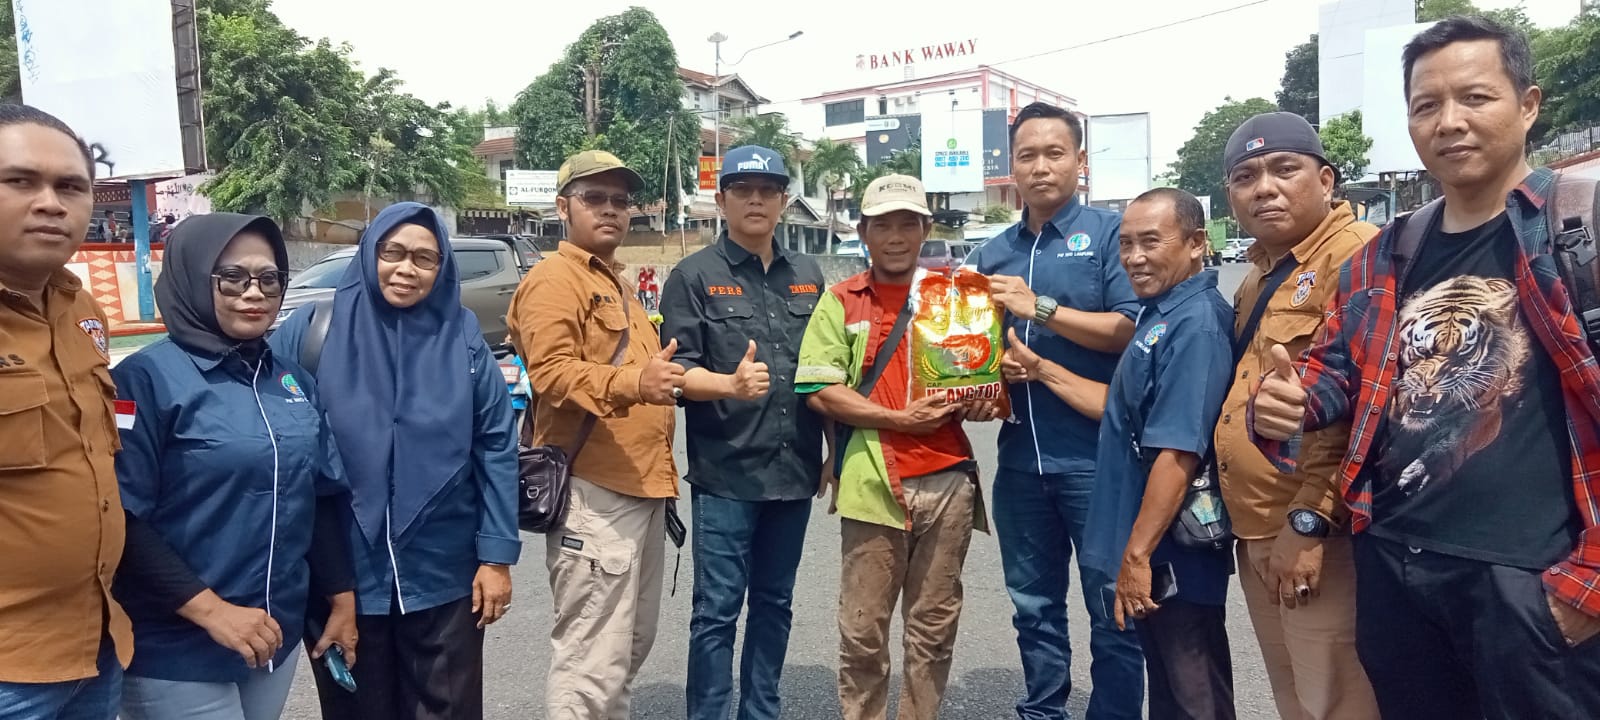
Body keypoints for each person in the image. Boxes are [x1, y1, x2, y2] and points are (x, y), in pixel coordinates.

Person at [1251, 16, 1600, 718]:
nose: (1449, 122)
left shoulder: (1578, 226)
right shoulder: (1388, 252)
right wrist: (1289, 401)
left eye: (1475, 97)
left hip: (1530, 580)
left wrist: (1586, 585)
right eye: (1426, 105)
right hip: (1396, 568)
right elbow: (1338, 374)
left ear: (1528, 105)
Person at [270, 201, 520, 720]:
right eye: (393, 252)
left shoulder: (462, 336)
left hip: (443, 574)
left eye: (425, 258)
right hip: (343, 577)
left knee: (448, 708)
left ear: (441, 267)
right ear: (370, 252)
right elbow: (282, 445)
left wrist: (496, 558)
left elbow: (496, 444)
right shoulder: (314, 331)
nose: (407, 269)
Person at [111, 213, 358, 720]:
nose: (254, 293)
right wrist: (213, 612)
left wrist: (341, 598)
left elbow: (317, 496)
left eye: (269, 278)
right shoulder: (144, 380)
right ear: (192, 277)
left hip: (271, 636)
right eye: (232, 277)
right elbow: (119, 517)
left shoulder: (290, 380)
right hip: (175, 646)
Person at [961, 101, 1144, 720]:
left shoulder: (1111, 236)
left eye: (1054, 153)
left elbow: (1128, 329)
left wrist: (1038, 307)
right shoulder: (993, 253)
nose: (1040, 167)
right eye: (1027, 155)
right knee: (1033, 608)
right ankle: (1043, 710)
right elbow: (977, 351)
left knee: (1112, 608)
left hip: (1097, 461)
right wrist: (989, 380)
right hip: (1019, 463)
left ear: (1079, 161)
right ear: (1011, 166)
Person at [797, 174, 999, 720]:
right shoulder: (841, 301)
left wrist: (981, 400)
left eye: (907, 224)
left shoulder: (957, 297)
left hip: (949, 481)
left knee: (934, 629)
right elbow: (819, 389)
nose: (895, 236)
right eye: (882, 225)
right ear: (863, 232)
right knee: (862, 631)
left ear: (925, 229)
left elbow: (979, 378)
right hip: (873, 484)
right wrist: (897, 419)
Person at [1042, 187, 1234, 719]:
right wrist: (1040, 370)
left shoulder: (1196, 323)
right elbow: (1124, 411)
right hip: (1153, 541)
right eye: (1125, 243)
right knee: (1169, 693)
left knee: (1195, 694)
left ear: (1196, 243)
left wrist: (1137, 555)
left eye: (1151, 241)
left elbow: (1179, 450)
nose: (1134, 257)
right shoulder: (1160, 314)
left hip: (1175, 549)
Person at [1215, 112, 1380, 720]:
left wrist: (1309, 522)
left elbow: (1365, 413)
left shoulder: (1357, 255)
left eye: (1284, 169)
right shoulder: (1260, 271)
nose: (1264, 188)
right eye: (1246, 177)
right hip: (1259, 528)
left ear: (1326, 180)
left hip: (1314, 535)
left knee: (1336, 700)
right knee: (1295, 699)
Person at [507, 150, 682, 719]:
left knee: (624, 652)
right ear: (564, 208)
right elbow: (551, 373)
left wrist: (727, 384)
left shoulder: (620, 285)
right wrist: (636, 382)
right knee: (590, 665)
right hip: (594, 493)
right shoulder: (553, 279)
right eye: (595, 198)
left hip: (642, 489)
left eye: (620, 200)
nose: (611, 209)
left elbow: (654, 377)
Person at [659, 145, 828, 720]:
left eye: (768, 191)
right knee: (717, 612)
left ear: (784, 200)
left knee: (775, 605)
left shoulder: (808, 276)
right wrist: (729, 385)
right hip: (727, 474)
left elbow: (826, 368)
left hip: (794, 470)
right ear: (721, 199)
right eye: (742, 190)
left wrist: (832, 449)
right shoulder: (694, 276)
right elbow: (676, 372)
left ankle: (761, 711)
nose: (756, 200)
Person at [0, 104, 132, 720]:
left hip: (95, 647)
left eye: (71, 187)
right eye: (21, 181)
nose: (51, 203)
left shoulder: (84, 312)